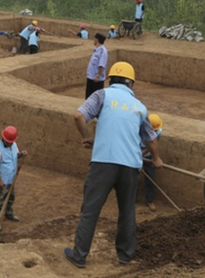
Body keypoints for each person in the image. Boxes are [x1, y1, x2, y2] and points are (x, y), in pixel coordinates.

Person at [64, 61, 163, 269]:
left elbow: (78, 115)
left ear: (111, 80)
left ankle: (79, 255)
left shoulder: (103, 96)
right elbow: (151, 139)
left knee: (90, 210)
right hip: (130, 166)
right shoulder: (140, 107)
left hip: (103, 163)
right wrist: (156, 159)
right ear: (131, 84)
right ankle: (125, 255)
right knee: (127, 211)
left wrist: (86, 136)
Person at [0, 126, 28, 231]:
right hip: (2, 181)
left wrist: (21, 154)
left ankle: (8, 213)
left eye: (12, 142)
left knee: (11, 198)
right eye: (9, 142)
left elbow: (14, 156)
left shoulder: (14, 145)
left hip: (11, 179)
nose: (10, 143)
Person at [140, 114, 163, 212]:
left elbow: (153, 144)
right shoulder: (139, 129)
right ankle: (131, 199)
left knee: (150, 179)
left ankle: (149, 201)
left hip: (149, 157)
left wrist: (155, 158)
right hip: (136, 155)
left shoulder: (158, 131)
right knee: (132, 178)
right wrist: (137, 154)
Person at [85, 33, 108, 99]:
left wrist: (98, 76)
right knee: (88, 98)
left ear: (97, 40)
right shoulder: (96, 50)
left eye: (94, 39)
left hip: (96, 80)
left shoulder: (102, 51)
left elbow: (102, 65)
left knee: (95, 99)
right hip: (91, 77)